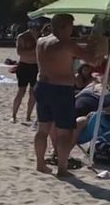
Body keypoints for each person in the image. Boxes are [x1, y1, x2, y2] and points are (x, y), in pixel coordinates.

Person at [33, 14, 103, 176]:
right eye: (71, 26)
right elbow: (93, 61)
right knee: (65, 132)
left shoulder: (41, 41)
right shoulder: (66, 44)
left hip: (42, 85)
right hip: (60, 89)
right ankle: (62, 168)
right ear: (64, 27)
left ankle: (40, 164)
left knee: (43, 129)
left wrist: (85, 43)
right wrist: (99, 47)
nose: (72, 29)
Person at [12, 23, 40, 123]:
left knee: (33, 93)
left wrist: (36, 40)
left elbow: (41, 51)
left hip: (35, 66)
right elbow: (20, 53)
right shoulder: (22, 37)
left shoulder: (40, 37)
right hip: (24, 66)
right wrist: (34, 50)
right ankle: (14, 115)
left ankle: (28, 116)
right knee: (21, 91)